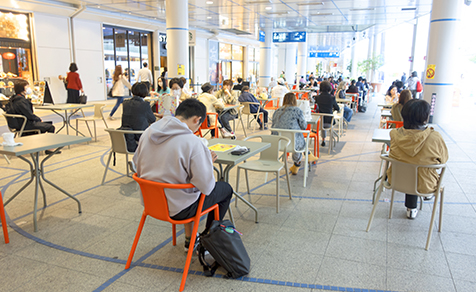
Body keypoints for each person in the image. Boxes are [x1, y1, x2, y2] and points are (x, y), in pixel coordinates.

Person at [133, 98, 233, 251]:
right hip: (179, 208)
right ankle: (207, 240)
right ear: (197, 119)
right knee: (224, 189)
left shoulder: (148, 133)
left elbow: (136, 164)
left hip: (151, 203)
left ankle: (190, 240)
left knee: (187, 186)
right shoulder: (192, 142)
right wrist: (207, 163)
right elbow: (206, 186)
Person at [387, 99, 448, 219]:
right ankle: (421, 200)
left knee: (409, 164)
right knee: (418, 169)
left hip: (396, 180)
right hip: (425, 185)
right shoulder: (435, 137)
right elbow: (444, 159)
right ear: (425, 118)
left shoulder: (394, 134)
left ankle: (411, 208)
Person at [272, 93, 318, 175]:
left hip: (279, 143)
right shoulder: (297, 110)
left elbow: (273, 128)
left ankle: (298, 163)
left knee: (295, 135)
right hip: (294, 144)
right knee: (297, 136)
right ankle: (305, 155)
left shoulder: (277, 111)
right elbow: (304, 126)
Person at [121, 82, 158, 152]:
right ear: (145, 92)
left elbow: (135, 114)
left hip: (125, 137)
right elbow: (153, 119)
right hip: (139, 137)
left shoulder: (125, 103)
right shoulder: (145, 105)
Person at [315, 81, 340, 146]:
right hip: (329, 122)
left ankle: (323, 140)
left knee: (322, 119)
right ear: (329, 88)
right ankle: (327, 139)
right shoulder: (332, 98)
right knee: (326, 119)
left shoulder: (317, 98)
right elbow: (337, 108)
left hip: (319, 123)